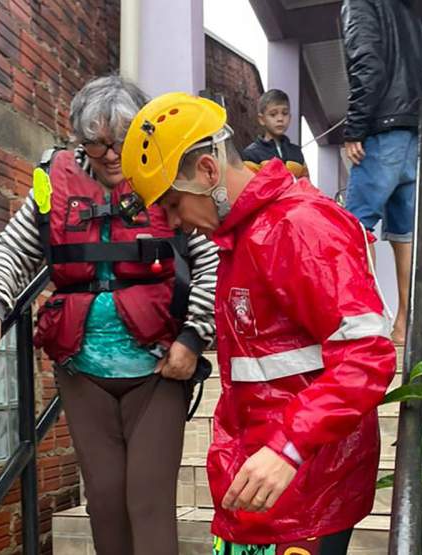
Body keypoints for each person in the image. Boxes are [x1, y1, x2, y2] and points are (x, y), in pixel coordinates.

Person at [121, 92, 396, 555]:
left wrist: (288, 446)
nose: (174, 222)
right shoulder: (246, 236)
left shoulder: (299, 227)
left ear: (208, 172)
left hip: (304, 489)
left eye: (172, 203)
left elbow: (367, 356)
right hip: (267, 485)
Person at [0, 76, 219, 555]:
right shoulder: (53, 183)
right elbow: (10, 250)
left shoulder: (165, 179)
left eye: (121, 141)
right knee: (103, 501)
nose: (112, 155)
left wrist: (193, 338)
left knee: (148, 501)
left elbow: (213, 260)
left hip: (158, 368)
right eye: (96, 144)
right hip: (82, 370)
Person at [341, 0, 422, 345]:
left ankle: (371, 321)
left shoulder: (359, 4)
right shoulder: (408, 12)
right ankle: (404, 324)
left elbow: (368, 64)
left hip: (380, 131)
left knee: (355, 230)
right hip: (411, 130)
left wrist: (355, 129)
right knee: (403, 234)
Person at [242, 89, 309, 179]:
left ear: (290, 116)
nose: (280, 118)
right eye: (273, 114)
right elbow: (250, 188)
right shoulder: (252, 154)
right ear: (261, 119)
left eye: (285, 113)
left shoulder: (296, 152)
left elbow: (306, 187)